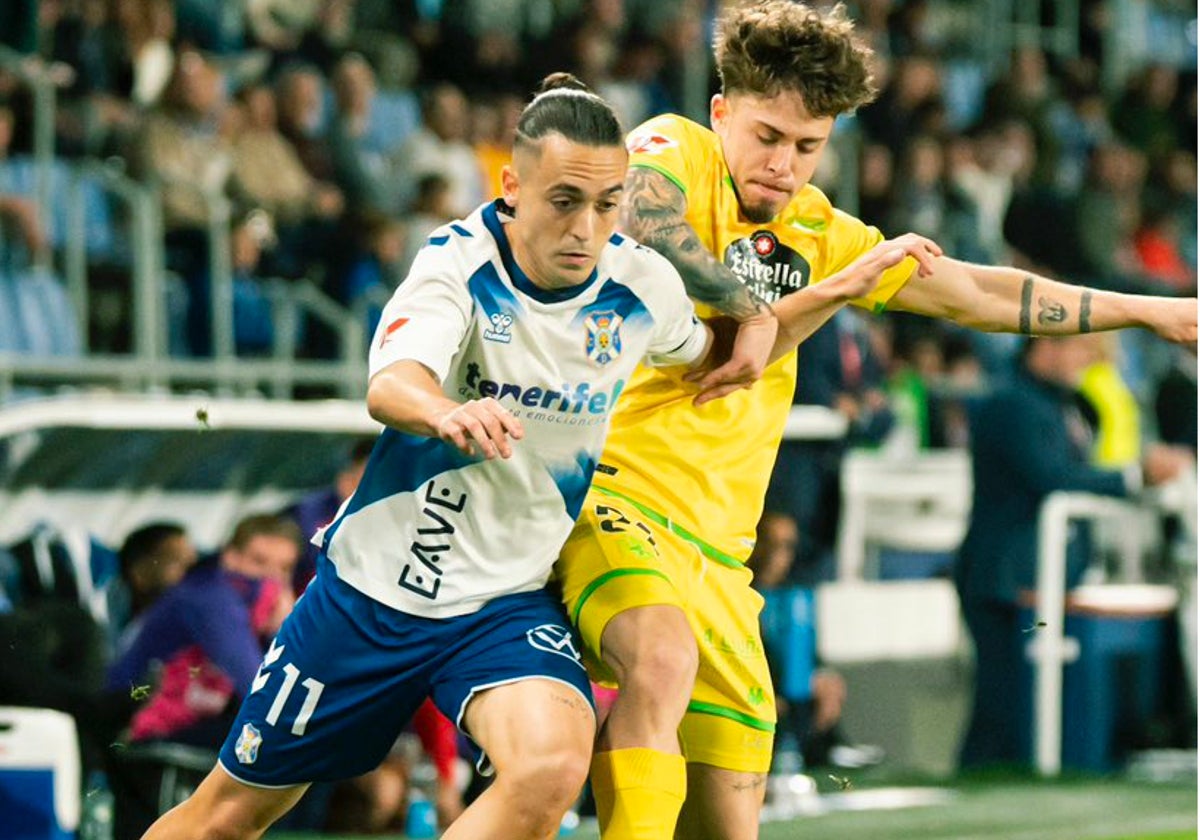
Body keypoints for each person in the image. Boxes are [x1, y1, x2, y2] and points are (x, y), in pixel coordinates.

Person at [552, 3, 1198, 838]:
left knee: (728, 821)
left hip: (721, 555)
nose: (784, 164)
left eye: (808, 146)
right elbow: (641, 219)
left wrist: (1151, 313)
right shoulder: (674, 147)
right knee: (661, 661)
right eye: (767, 135)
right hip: (614, 503)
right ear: (722, 113)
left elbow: (978, 293)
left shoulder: (823, 234)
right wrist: (746, 307)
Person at [141, 73, 737, 840]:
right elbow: (392, 383)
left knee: (555, 763)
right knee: (224, 819)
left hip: (502, 605)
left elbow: (714, 353)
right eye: (565, 201)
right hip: (371, 602)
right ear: (512, 185)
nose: (587, 227)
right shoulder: (458, 262)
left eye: (607, 202)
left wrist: (809, 299)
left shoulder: (642, 285)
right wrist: (449, 412)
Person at [955, 336, 1193, 768]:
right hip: (1006, 576)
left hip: (1034, 573)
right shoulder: (1012, 404)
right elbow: (1050, 476)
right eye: (1079, 351)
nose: (1087, 362)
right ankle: (977, 785)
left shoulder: (1056, 402)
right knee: (1003, 699)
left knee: (1016, 698)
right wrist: (1134, 476)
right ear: (1046, 346)